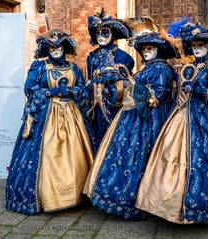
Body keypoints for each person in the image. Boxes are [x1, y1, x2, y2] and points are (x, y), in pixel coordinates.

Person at [136, 22, 208, 224]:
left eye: (202, 45)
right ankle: (169, 203)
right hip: (182, 117)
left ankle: (205, 205)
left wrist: (199, 91)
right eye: (195, 45)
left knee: (207, 160)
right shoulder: (192, 66)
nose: (197, 48)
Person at [83, 31, 179, 219]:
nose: (146, 52)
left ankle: (143, 200)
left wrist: (132, 86)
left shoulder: (162, 69)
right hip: (134, 114)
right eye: (143, 49)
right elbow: (134, 87)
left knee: (144, 155)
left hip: (150, 119)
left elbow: (156, 96)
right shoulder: (147, 68)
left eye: (150, 48)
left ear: (158, 50)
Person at [5, 29, 95, 215]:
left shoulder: (73, 68)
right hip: (46, 116)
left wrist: (71, 91)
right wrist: (50, 92)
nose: (55, 50)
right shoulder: (39, 67)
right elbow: (29, 88)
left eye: (59, 47)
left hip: (71, 115)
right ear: (47, 49)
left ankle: (76, 194)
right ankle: (47, 197)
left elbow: (83, 90)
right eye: (51, 47)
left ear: (64, 48)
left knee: (76, 154)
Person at [86, 9, 135, 148]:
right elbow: (90, 79)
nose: (101, 36)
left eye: (105, 33)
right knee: (96, 138)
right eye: (98, 33)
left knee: (115, 139)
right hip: (95, 108)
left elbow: (127, 83)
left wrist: (113, 90)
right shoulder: (92, 57)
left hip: (115, 106)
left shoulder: (123, 57)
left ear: (113, 35)